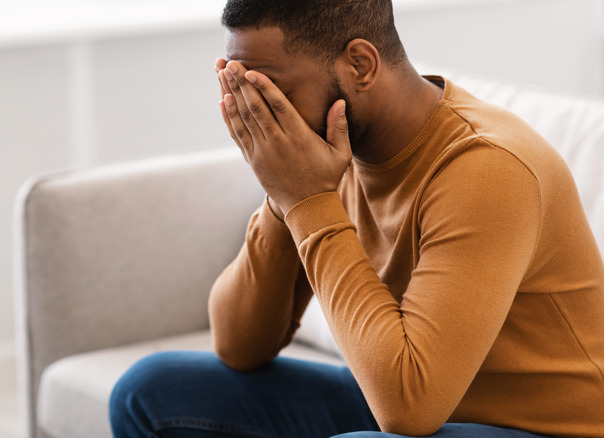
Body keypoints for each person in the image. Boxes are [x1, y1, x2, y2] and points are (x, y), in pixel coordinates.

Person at [110, 0, 604, 436]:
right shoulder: (324, 153)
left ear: (360, 65)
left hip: (542, 427)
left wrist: (307, 201)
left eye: (270, 90)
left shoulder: (488, 167)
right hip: (415, 405)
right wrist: (282, 200)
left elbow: (409, 407)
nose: (256, 111)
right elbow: (240, 347)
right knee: (149, 391)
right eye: (240, 86)